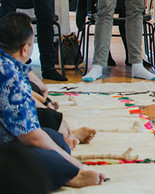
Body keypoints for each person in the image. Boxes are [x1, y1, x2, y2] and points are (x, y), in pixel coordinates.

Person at [0, 13, 107, 189]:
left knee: (56, 139)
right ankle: (68, 175)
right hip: (6, 149)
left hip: (10, 137)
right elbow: (32, 138)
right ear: (25, 50)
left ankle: (63, 168)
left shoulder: (8, 64)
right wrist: (75, 166)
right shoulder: (10, 76)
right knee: (50, 159)